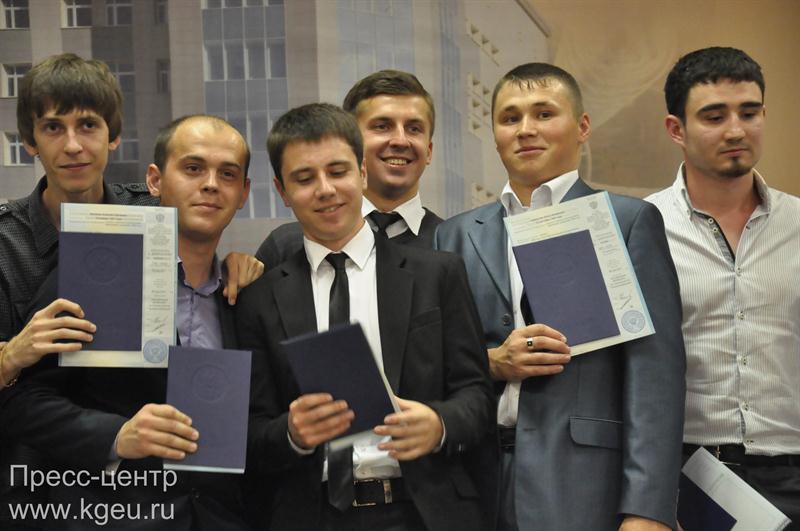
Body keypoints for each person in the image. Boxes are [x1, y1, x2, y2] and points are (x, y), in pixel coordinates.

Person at [434, 63, 686, 531]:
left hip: (583, 485)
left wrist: (648, 509)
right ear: (494, 134)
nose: (526, 129)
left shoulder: (627, 221)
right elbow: (433, 364)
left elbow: (656, 376)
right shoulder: (455, 235)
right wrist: (491, 361)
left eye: (544, 113)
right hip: (471, 484)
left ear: (582, 126)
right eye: (510, 118)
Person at [237, 103, 496, 531]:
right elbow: (248, 429)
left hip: (422, 511)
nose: (325, 190)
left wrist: (439, 424)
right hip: (312, 515)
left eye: (337, 171)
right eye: (304, 178)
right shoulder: (260, 299)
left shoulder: (437, 274)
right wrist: (291, 433)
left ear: (361, 173)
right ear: (282, 191)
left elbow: (477, 394)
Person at [0, 114, 255, 530]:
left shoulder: (245, 293)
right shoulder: (99, 274)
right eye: (193, 168)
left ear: (243, 193)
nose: (211, 184)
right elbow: (21, 401)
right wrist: (116, 436)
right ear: (155, 181)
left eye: (227, 174)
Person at [647, 47, 800, 526]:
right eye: (714, 117)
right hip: (687, 476)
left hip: (792, 470)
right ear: (676, 129)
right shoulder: (641, 228)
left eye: (749, 113)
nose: (736, 130)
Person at [256, 70, 442, 267]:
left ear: (429, 150)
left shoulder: (452, 243)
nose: (400, 141)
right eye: (382, 126)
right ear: (352, 142)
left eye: (414, 129)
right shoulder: (285, 246)